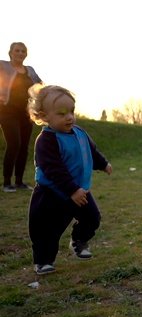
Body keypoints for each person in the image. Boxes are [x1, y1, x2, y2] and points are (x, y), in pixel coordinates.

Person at [26, 84, 112, 275]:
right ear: (44, 116)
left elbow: (92, 152)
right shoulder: (46, 140)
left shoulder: (80, 133)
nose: (69, 117)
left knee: (92, 218)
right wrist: (71, 190)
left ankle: (79, 240)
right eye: (62, 113)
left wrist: (103, 164)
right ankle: (43, 261)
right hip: (52, 194)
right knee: (46, 231)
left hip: (79, 192)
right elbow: (53, 169)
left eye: (72, 111)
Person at [0, 42, 43, 192]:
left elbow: (40, 84)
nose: (20, 53)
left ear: (26, 54)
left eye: (23, 51)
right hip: (7, 112)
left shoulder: (29, 70)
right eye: (17, 50)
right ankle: (6, 183)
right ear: (10, 53)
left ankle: (19, 181)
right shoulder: (3, 66)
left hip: (26, 113)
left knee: (24, 146)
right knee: (14, 143)